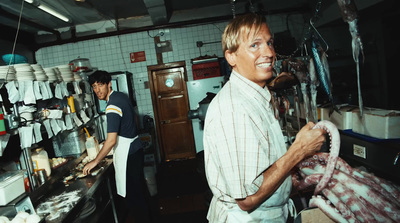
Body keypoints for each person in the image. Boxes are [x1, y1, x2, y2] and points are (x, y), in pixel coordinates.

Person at [203, 14, 326, 222]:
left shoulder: (254, 97)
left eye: (269, 43)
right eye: (254, 45)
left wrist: (288, 179)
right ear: (231, 57)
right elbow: (248, 198)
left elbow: (260, 168)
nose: (269, 52)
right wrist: (298, 150)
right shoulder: (234, 109)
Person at [83, 70, 149, 222]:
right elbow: (133, 120)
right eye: (94, 86)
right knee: (140, 195)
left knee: (134, 200)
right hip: (136, 150)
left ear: (109, 84)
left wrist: (95, 161)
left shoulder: (112, 106)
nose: (97, 90)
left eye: (100, 85)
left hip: (129, 156)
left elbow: (111, 140)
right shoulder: (120, 96)